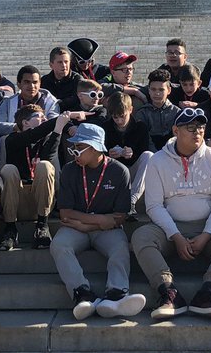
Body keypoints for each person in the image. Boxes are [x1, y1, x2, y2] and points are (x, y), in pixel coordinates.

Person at [134, 106, 211, 321]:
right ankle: (169, 293)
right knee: (141, 237)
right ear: (176, 130)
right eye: (191, 127)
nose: (198, 132)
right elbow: (154, 206)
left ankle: (207, 294)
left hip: (207, 226)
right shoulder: (157, 160)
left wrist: (206, 235)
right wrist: (175, 236)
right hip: (169, 227)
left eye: (201, 127)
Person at [51, 123, 145, 319]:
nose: (74, 152)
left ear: (94, 148)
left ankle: (116, 294)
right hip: (78, 227)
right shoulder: (69, 170)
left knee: (120, 247)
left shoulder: (119, 171)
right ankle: (82, 293)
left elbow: (120, 216)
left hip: (101, 229)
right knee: (59, 245)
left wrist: (86, 222)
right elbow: (65, 212)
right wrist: (99, 220)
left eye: (79, 148)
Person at [0, 106, 68, 251]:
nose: (44, 119)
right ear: (25, 122)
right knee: (9, 169)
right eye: (39, 116)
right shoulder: (12, 139)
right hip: (16, 202)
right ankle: (10, 229)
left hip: (40, 201)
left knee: (45, 165)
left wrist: (58, 130)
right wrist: (57, 122)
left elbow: (48, 156)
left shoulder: (48, 140)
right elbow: (31, 136)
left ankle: (42, 226)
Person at [102, 92, 152, 201]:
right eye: (115, 117)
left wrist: (132, 154)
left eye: (122, 116)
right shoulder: (105, 128)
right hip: (114, 172)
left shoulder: (140, 127)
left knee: (148, 156)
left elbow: (143, 152)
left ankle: (133, 199)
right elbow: (99, 155)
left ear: (130, 110)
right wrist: (108, 155)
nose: (119, 121)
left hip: (133, 170)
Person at [0, 65, 59, 137]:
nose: (31, 86)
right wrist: (19, 127)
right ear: (19, 84)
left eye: (35, 82)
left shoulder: (51, 102)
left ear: (40, 84)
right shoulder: (8, 102)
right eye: (27, 82)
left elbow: (55, 124)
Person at [135, 69, 179, 152]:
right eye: (153, 89)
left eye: (161, 90)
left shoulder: (177, 112)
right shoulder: (143, 113)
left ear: (169, 90)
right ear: (149, 90)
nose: (157, 93)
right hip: (150, 155)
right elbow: (145, 139)